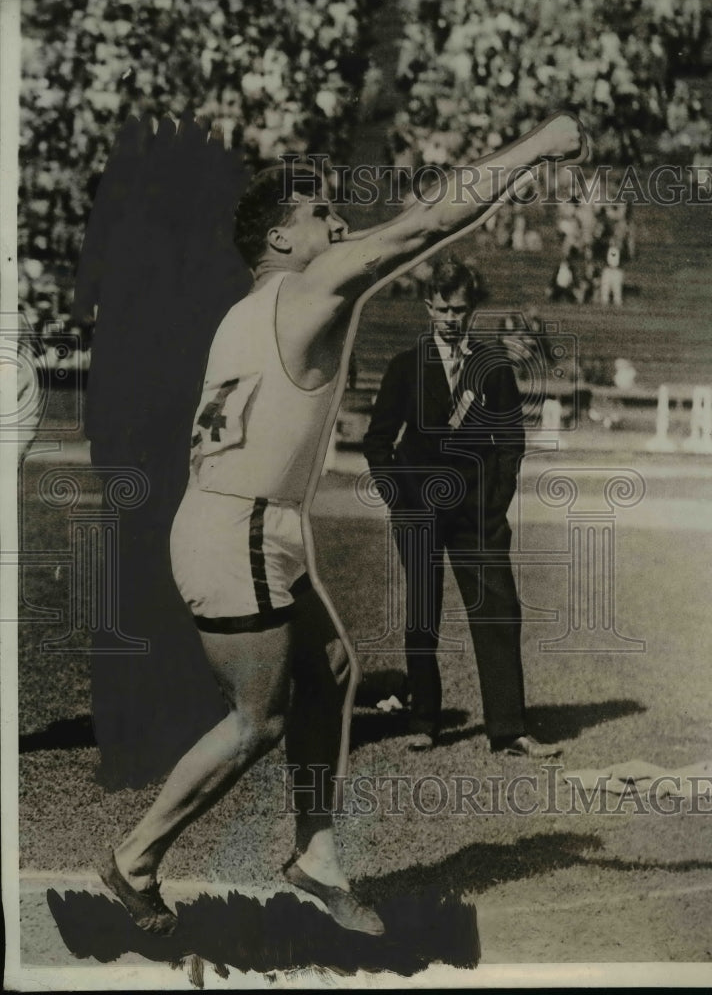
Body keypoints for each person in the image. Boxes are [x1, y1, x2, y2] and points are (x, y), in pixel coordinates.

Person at [97, 111, 587, 937]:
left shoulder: (243, 311)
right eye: (319, 212)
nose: (339, 220)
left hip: (250, 525)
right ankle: (135, 857)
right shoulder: (304, 289)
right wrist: (538, 145)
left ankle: (314, 854)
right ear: (281, 241)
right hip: (240, 531)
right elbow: (430, 222)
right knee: (261, 718)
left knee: (327, 667)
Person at [362, 257, 564, 758]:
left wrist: (493, 507)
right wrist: (400, 498)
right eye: (443, 309)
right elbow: (378, 442)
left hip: (477, 514)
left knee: (499, 612)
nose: (452, 319)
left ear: (473, 310)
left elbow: (509, 443)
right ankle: (425, 721)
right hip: (418, 511)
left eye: (461, 310)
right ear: (428, 305)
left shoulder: (492, 366)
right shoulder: (405, 366)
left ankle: (509, 729)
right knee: (423, 612)